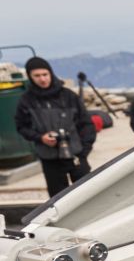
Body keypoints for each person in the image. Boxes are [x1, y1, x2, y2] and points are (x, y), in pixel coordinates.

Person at [13, 57, 96, 197]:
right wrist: (40, 138)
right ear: (30, 77)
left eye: (45, 74)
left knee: (87, 195)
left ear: (51, 73)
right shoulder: (26, 101)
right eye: (37, 76)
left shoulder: (69, 96)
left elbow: (86, 124)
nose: (42, 79)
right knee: (58, 200)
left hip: (76, 154)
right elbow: (21, 126)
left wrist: (84, 151)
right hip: (49, 158)